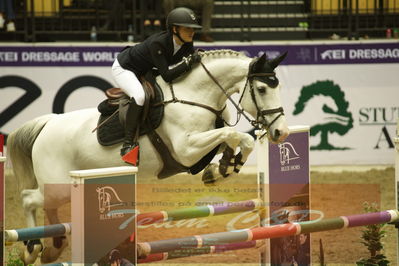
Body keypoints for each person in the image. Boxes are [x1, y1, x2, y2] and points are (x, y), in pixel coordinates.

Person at [111, 7, 202, 165]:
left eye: (193, 28)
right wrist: (188, 62)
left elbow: (187, 67)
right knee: (139, 96)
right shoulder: (158, 43)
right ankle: (128, 145)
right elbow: (167, 75)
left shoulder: (187, 42)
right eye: (187, 28)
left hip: (146, 70)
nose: (191, 32)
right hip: (125, 68)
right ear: (174, 29)